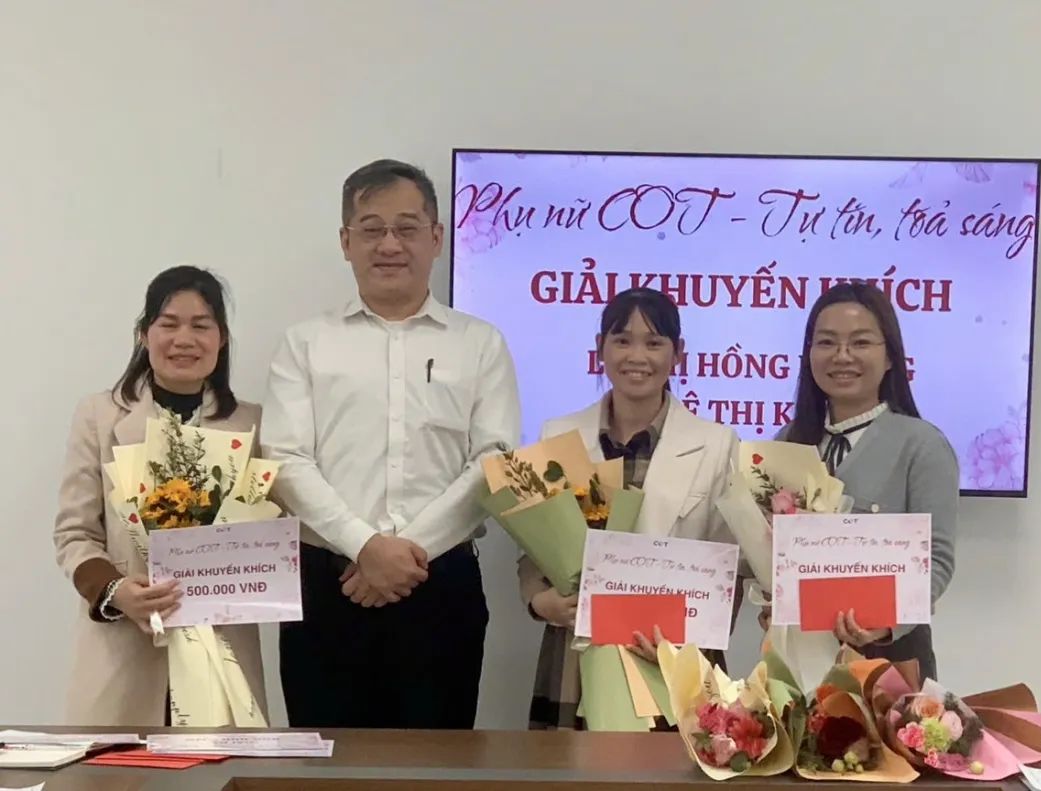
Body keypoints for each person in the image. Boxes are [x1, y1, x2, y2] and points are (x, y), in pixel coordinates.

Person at [261, 158, 521, 729]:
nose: (389, 245)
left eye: (406, 228)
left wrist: (407, 553)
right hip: (329, 587)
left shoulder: (480, 344)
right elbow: (284, 460)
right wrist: (364, 547)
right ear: (345, 242)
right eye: (372, 229)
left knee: (436, 765)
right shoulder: (305, 343)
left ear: (436, 238)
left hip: (442, 588)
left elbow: (494, 461)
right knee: (326, 764)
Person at [518, 287, 743, 730]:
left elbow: (728, 567)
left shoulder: (717, 444)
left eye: (653, 342)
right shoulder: (559, 435)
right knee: (569, 766)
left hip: (673, 658)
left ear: (678, 353)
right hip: (577, 653)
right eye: (622, 340)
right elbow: (533, 550)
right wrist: (539, 601)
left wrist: (689, 642)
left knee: (673, 766)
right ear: (600, 347)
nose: (636, 356)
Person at [53, 265, 267, 725]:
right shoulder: (98, 416)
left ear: (222, 339)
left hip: (221, 650)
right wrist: (116, 591)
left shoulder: (253, 425)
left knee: (219, 764)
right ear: (143, 334)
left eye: (201, 326)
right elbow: (74, 534)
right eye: (169, 324)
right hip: (125, 652)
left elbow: (270, 534)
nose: (184, 339)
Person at [766, 281, 957, 681]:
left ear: (890, 357)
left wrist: (885, 623)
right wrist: (773, 596)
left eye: (860, 342)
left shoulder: (922, 444)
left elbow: (936, 561)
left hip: (890, 662)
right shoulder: (787, 442)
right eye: (826, 342)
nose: (842, 356)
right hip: (798, 658)